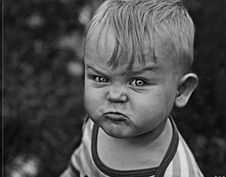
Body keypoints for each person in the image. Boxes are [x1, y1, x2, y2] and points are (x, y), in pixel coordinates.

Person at [60, 0, 204, 176]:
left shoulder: (177, 172)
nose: (113, 96)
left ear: (181, 90)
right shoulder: (97, 123)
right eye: (100, 78)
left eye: (138, 82)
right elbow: (79, 165)